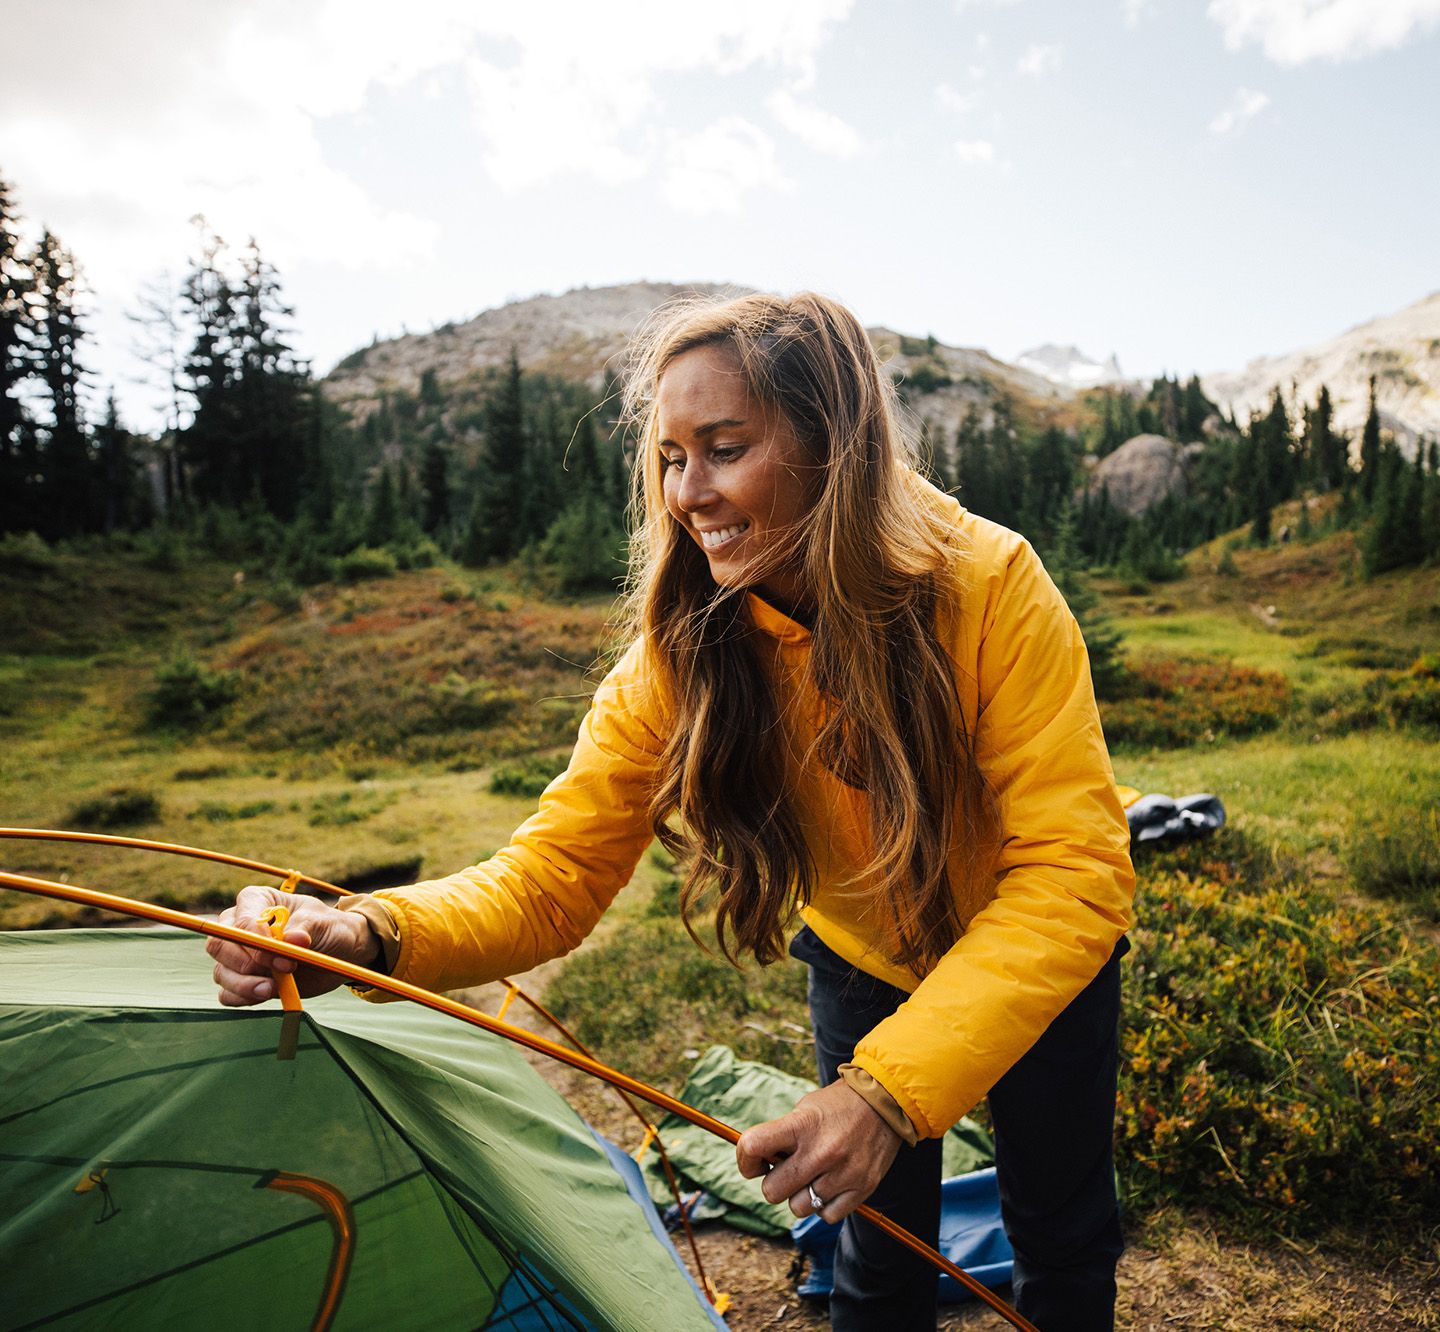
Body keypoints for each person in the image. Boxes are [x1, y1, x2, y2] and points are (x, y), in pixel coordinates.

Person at [209, 292, 1134, 1331]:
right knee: (878, 1257)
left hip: (1038, 964)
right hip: (865, 961)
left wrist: (884, 1096)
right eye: (668, 457)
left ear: (834, 446)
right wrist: (370, 929)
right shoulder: (683, 649)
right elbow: (551, 877)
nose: (689, 493)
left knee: (1063, 1240)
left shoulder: (992, 585)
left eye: (725, 447)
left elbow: (1073, 874)